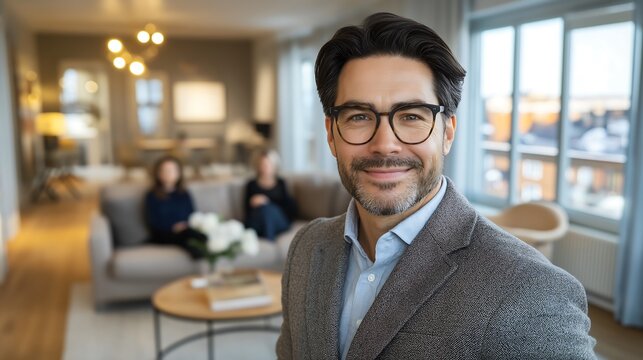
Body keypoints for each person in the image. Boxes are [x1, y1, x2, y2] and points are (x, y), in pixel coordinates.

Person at [276, 12, 596, 359]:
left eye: (412, 116)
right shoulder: (307, 248)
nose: (385, 144)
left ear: (447, 132)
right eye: (359, 117)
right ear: (330, 134)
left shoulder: (529, 287)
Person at [145, 155, 206, 259]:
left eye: (172, 170)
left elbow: (192, 213)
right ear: (158, 173)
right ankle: (196, 250)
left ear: (179, 173)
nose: (169, 174)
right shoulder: (152, 195)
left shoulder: (184, 194)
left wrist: (184, 225)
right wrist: (173, 227)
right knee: (187, 236)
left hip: (184, 229)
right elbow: (154, 221)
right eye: (165, 170)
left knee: (195, 233)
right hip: (163, 233)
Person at [244, 149, 297, 241]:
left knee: (267, 209)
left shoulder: (281, 183)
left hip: (277, 220)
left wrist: (267, 202)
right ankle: (268, 237)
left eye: (268, 165)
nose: (265, 168)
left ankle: (268, 238)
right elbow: (247, 212)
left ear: (274, 166)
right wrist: (252, 202)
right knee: (262, 211)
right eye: (263, 164)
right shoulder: (251, 184)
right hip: (258, 220)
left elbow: (289, 208)